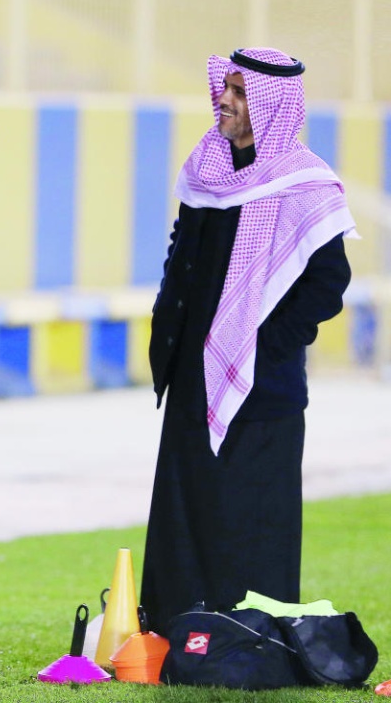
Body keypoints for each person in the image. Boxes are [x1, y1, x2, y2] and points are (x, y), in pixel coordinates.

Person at [139, 48, 355, 637]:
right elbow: (182, 255)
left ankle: (251, 639)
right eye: (224, 86)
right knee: (188, 509)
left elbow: (328, 284)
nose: (224, 99)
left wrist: (263, 347)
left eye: (238, 90)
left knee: (250, 513)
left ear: (269, 104)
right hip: (191, 374)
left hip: (261, 386)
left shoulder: (304, 183)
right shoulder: (207, 167)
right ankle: (178, 631)